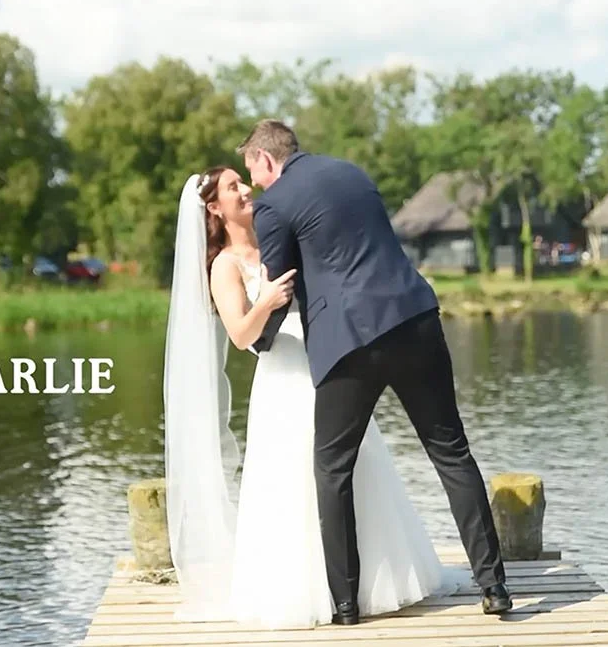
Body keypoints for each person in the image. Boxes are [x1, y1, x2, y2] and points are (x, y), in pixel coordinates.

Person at [162, 167, 462, 629]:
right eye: (232, 188)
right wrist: (267, 300)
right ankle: (307, 590)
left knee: (355, 468)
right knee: (295, 478)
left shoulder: (276, 235)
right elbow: (241, 334)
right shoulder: (223, 265)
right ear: (215, 209)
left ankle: (369, 585)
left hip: (333, 359)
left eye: (244, 181)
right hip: (283, 373)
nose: (246, 190)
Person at [241, 119, 512, 625]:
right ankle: (494, 586)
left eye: (251, 170)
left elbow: (280, 283)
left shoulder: (273, 204)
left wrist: (259, 341)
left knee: (332, 469)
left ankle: (345, 605)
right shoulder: (352, 172)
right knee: (451, 452)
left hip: (348, 342)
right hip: (414, 319)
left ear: (266, 159)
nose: (253, 183)